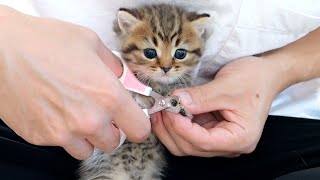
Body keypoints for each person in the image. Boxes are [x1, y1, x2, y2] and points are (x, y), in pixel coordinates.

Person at [0, 0, 319, 179]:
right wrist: (8, 39)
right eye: (153, 54)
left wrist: (278, 70)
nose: (166, 67)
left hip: (281, 115)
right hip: (31, 101)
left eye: (178, 55)